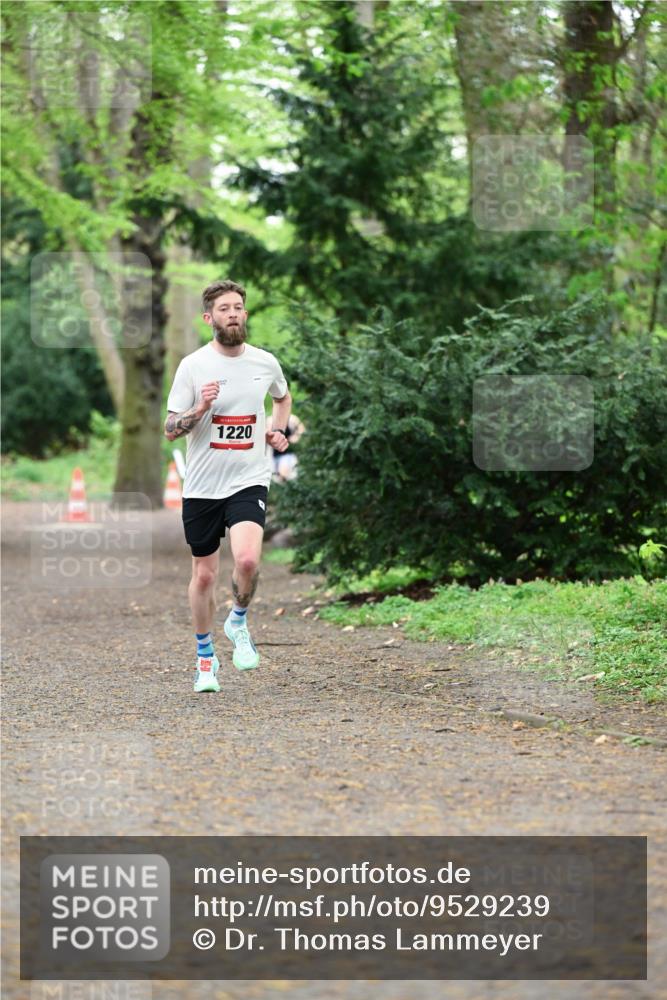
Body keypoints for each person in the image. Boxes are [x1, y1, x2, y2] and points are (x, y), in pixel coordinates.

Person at [164, 279, 291, 693]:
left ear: (245, 314)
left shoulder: (264, 362)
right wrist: (200, 407)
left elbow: (282, 397)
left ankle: (237, 620)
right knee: (204, 575)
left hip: (248, 479)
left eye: (238, 307)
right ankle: (205, 658)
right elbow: (169, 429)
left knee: (249, 561)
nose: (233, 313)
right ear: (209, 318)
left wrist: (276, 430)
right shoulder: (193, 366)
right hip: (202, 486)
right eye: (224, 309)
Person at [267, 412, 305, 482]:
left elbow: (301, 428)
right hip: (274, 455)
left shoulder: (291, 418)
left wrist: (296, 436)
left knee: (283, 473)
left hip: (287, 454)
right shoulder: (270, 420)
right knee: (278, 479)